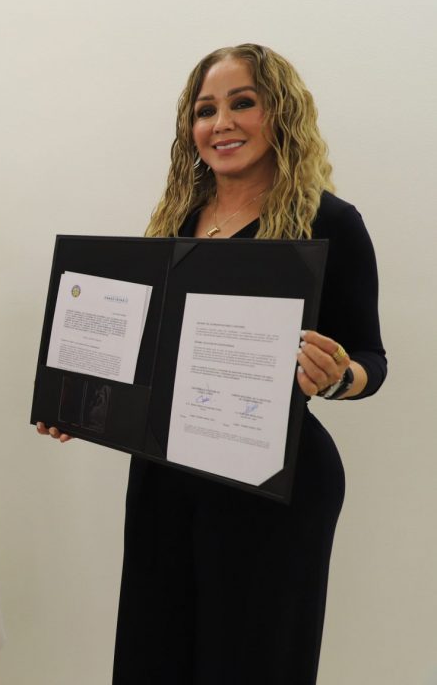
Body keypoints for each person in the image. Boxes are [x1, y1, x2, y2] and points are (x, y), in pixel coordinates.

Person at [37, 43, 387, 683]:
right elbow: (145, 355)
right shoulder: (176, 221)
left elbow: (370, 359)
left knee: (251, 662)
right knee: (154, 655)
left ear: (279, 113)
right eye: (204, 110)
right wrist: (80, 401)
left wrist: (338, 376)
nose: (221, 123)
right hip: (165, 479)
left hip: (271, 485)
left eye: (241, 103)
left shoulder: (327, 221)